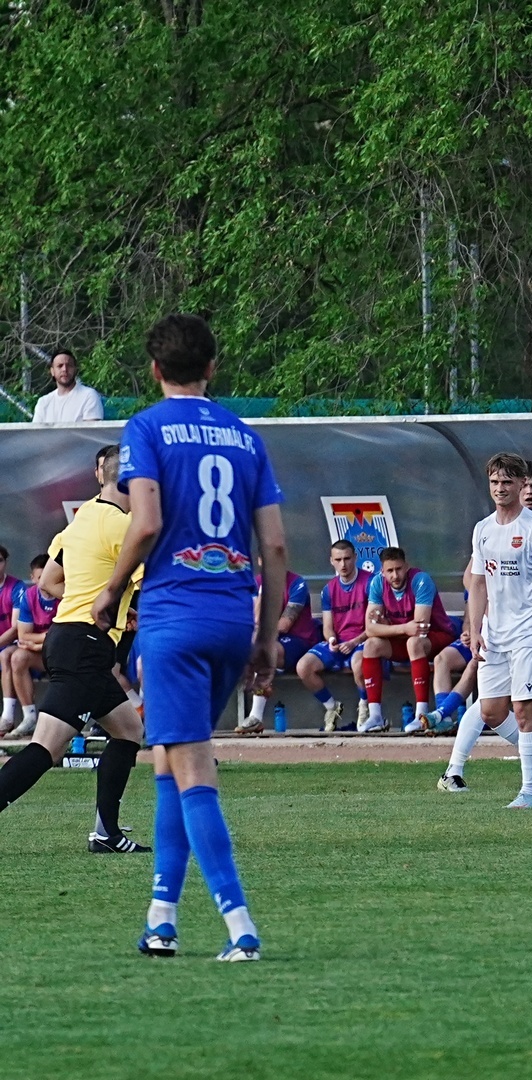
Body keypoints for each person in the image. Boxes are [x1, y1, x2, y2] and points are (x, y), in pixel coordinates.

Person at [92, 312, 287, 962]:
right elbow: (275, 546)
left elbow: (145, 523)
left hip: (174, 616)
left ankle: (241, 928)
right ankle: (161, 920)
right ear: (211, 367)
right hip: (231, 617)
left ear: (154, 369)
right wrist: (266, 636)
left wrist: (111, 590)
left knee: (193, 765)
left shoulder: (146, 428)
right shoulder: (244, 436)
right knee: (168, 762)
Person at [0, 445, 149, 854]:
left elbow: (48, 582)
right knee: (46, 748)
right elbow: (153, 583)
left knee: (129, 730)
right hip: (85, 645)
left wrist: (108, 603)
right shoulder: (125, 526)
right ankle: (105, 833)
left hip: (70, 639)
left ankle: (106, 834)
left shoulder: (81, 519)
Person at [439, 459, 532, 791]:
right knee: (490, 710)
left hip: (531, 632)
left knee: (529, 705)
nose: (500, 488)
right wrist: (476, 629)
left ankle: (529, 789)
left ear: (525, 485)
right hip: (495, 634)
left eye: (508, 482)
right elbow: (475, 582)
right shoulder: (483, 529)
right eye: (494, 482)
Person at [359, 546, 457, 733]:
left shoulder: (421, 580)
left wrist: (387, 627)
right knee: (371, 645)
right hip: (404, 639)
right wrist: (402, 628)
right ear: (382, 571)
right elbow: (370, 629)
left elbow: (420, 628)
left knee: (414, 642)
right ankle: (375, 716)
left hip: (437, 636)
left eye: (398, 569)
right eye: (389, 571)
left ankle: (421, 715)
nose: (395, 575)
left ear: (406, 566)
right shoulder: (377, 583)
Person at [294, 540, 372, 731]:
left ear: (355, 558)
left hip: (364, 639)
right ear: (331, 561)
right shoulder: (328, 590)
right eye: (338, 560)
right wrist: (331, 640)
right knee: (303, 667)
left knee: (360, 664)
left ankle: (365, 706)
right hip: (341, 642)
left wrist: (354, 642)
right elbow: (328, 626)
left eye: (347, 559)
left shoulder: (370, 582)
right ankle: (331, 706)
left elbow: (375, 625)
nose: (343, 564)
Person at [238, 564, 319, 734]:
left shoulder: (297, 583)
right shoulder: (256, 583)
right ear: (260, 562)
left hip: (299, 640)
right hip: (270, 641)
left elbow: (284, 625)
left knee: (261, 650)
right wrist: (263, 592)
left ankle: (256, 716)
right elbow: (254, 620)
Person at [6, 555, 59, 739]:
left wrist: (40, 642)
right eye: (40, 578)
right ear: (34, 578)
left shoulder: (66, 595)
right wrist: (46, 638)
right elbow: (23, 635)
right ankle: (29, 718)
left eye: (49, 576)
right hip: (41, 653)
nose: (45, 582)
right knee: (17, 658)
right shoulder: (29, 596)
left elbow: (65, 637)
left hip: (63, 653)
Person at [0, 549, 39, 734]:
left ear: (5, 562)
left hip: (13, 644)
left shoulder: (17, 587)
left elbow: (16, 628)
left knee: (7, 655)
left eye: (0, 560)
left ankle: (8, 717)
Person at [31, 350, 105, 424]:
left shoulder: (89, 395)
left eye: (69, 365)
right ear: (52, 371)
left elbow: (92, 430)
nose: (64, 369)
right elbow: (35, 431)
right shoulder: (43, 402)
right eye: (60, 366)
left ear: (75, 370)